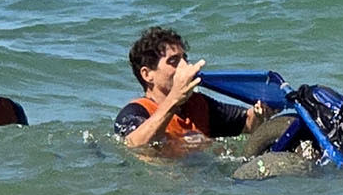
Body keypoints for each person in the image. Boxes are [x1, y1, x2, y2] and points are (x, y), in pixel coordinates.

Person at [114, 26, 270, 153]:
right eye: (173, 61)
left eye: (185, 59)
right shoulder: (135, 112)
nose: (185, 67)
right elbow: (133, 145)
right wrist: (174, 99)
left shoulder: (198, 104)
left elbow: (248, 124)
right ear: (147, 74)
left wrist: (262, 109)